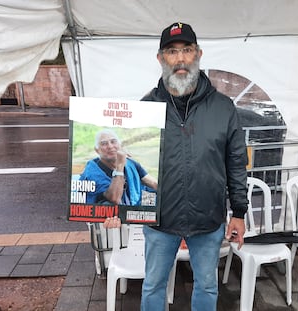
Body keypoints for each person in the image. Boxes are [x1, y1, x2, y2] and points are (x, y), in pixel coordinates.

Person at [105, 22, 248, 311]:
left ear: (198, 54)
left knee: (207, 285)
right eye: (172, 51)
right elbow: (129, 163)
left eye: (187, 50)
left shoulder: (223, 108)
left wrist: (240, 212)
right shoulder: (145, 108)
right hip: (160, 221)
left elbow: (236, 162)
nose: (180, 58)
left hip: (208, 218)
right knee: (153, 285)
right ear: (161, 58)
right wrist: (114, 209)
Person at [78, 128, 158, 205]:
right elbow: (114, 199)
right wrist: (119, 166)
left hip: (133, 204)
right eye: (104, 144)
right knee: (108, 204)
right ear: (97, 150)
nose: (110, 146)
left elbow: (153, 183)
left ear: (120, 145)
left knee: (157, 196)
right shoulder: (91, 172)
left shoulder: (130, 163)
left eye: (113, 142)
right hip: (106, 213)